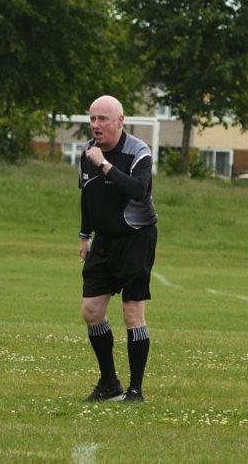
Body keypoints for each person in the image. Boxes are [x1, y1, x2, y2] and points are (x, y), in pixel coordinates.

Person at [77, 95, 156, 403]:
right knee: (91, 311)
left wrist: (105, 165)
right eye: (92, 119)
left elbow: (139, 190)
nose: (96, 125)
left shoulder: (138, 151)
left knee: (132, 313)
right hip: (104, 242)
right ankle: (109, 382)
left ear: (120, 121)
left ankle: (135, 390)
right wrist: (85, 234)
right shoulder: (87, 153)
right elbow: (86, 195)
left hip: (136, 239)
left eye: (103, 119)